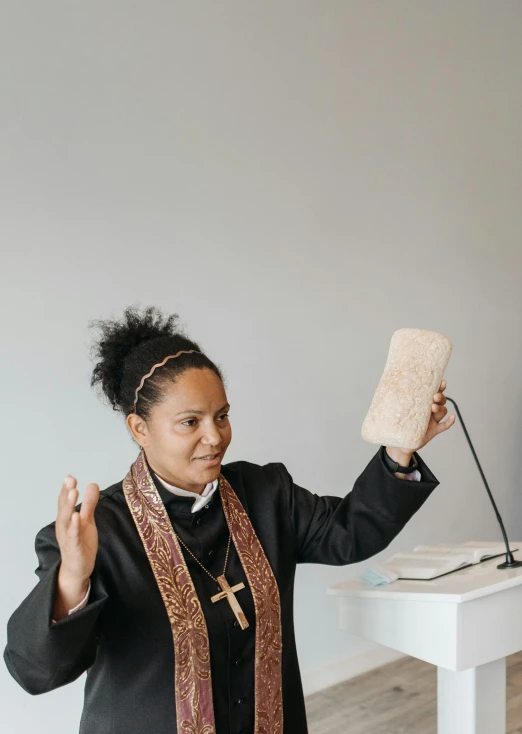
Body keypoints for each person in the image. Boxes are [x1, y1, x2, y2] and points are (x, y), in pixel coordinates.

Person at [4, 306, 455, 734]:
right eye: (189, 422)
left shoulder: (264, 493)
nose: (214, 436)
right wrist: (73, 580)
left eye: (222, 416)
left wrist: (401, 451)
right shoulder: (96, 532)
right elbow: (34, 672)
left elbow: (349, 533)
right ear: (139, 429)